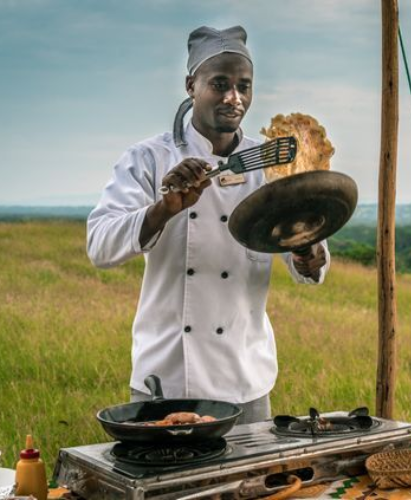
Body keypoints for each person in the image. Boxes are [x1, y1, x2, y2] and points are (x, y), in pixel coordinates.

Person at [87, 25, 329, 424]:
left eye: (243, 86)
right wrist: (164, 209)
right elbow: (100, 246)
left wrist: (305, 246)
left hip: (245, 381)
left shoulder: (270, 162)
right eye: (220, 84)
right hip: (167, 380)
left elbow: (311, 271)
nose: (234, 98)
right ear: (191, 85)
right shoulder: (148, 158)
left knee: (248, 488)